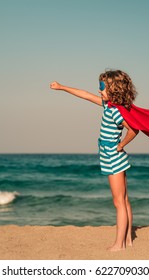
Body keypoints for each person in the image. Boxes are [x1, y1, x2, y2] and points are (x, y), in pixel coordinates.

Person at [50, 69, 139, 251]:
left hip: (113, 157)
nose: (99, 90)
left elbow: (133, 130)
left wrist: (121, 145)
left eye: (102, 87)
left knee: (119, 202)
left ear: (113, 89)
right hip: (113, 157)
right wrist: (61, 87)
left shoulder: (115, 112)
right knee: (124, 199)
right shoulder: (109, 106)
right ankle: (128, 239)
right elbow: (85, 95)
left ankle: (119, 244)